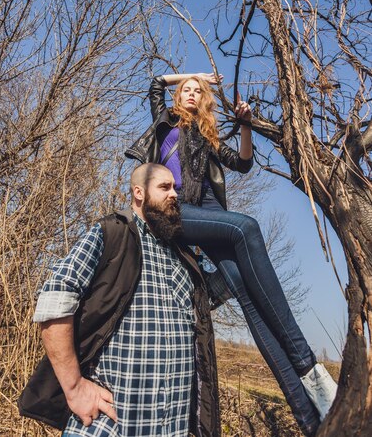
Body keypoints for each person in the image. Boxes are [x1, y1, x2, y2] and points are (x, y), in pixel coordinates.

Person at [126, 73, 338, 437]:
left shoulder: (207, 135)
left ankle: (310, 419)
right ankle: (307, 363)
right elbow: (154, 83)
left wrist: (245, 125)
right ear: (179, 96)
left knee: (248, 296)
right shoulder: (165, 120)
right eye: (186, 90)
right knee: (248, 227)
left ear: (204, 100)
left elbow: (241, 163)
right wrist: (194, 75)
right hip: (177, 208)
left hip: (209, 214)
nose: (192, 94)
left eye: (198, 91)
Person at [18, 163, 220, 437]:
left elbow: (208, 304)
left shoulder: (182, 255)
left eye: (175, 188)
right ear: (139, 192)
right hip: (110, 425)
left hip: (171, 429)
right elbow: (55, 298)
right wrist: (74, 386)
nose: (174, 194)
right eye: (164, 187)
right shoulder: (112, 233)